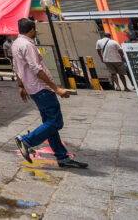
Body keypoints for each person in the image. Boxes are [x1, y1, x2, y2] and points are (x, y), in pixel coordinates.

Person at [12, 17, 88, 169]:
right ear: (32, 29)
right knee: (55, 122)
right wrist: (56, 88)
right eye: (35, 29)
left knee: (49, 124)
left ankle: (62, 157)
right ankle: (26, 140)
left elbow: (17, 66)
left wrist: (21, 86)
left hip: (32, 88)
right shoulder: (27, 45)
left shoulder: (16, 44)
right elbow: (36, 69)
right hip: (41, 88)